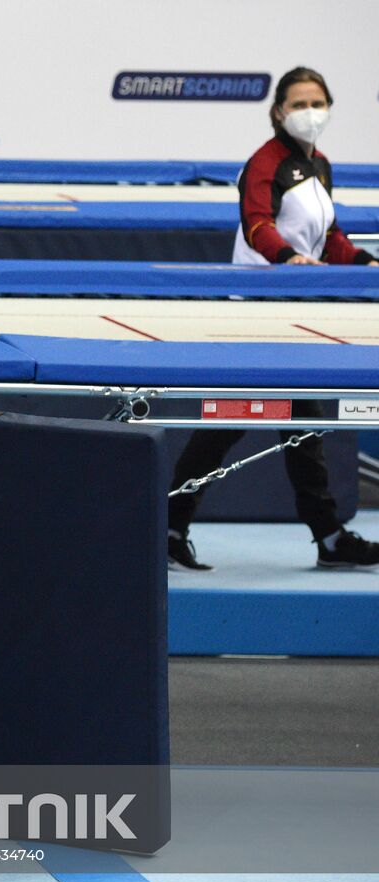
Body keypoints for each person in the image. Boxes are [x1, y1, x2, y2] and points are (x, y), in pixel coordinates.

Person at [168, 66, 379, 572]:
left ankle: (326, 535)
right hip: (257, 311)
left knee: (297, 421)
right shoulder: (265, 162)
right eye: (299, 103)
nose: (309, 112)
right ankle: (170, 526)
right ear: (279, 111)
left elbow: (329, 237)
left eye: (317, 103)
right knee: (235, 422)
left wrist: (363, 261)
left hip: (296, 312)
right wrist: (288, 259)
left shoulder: (319, 164)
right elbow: (257, 223)